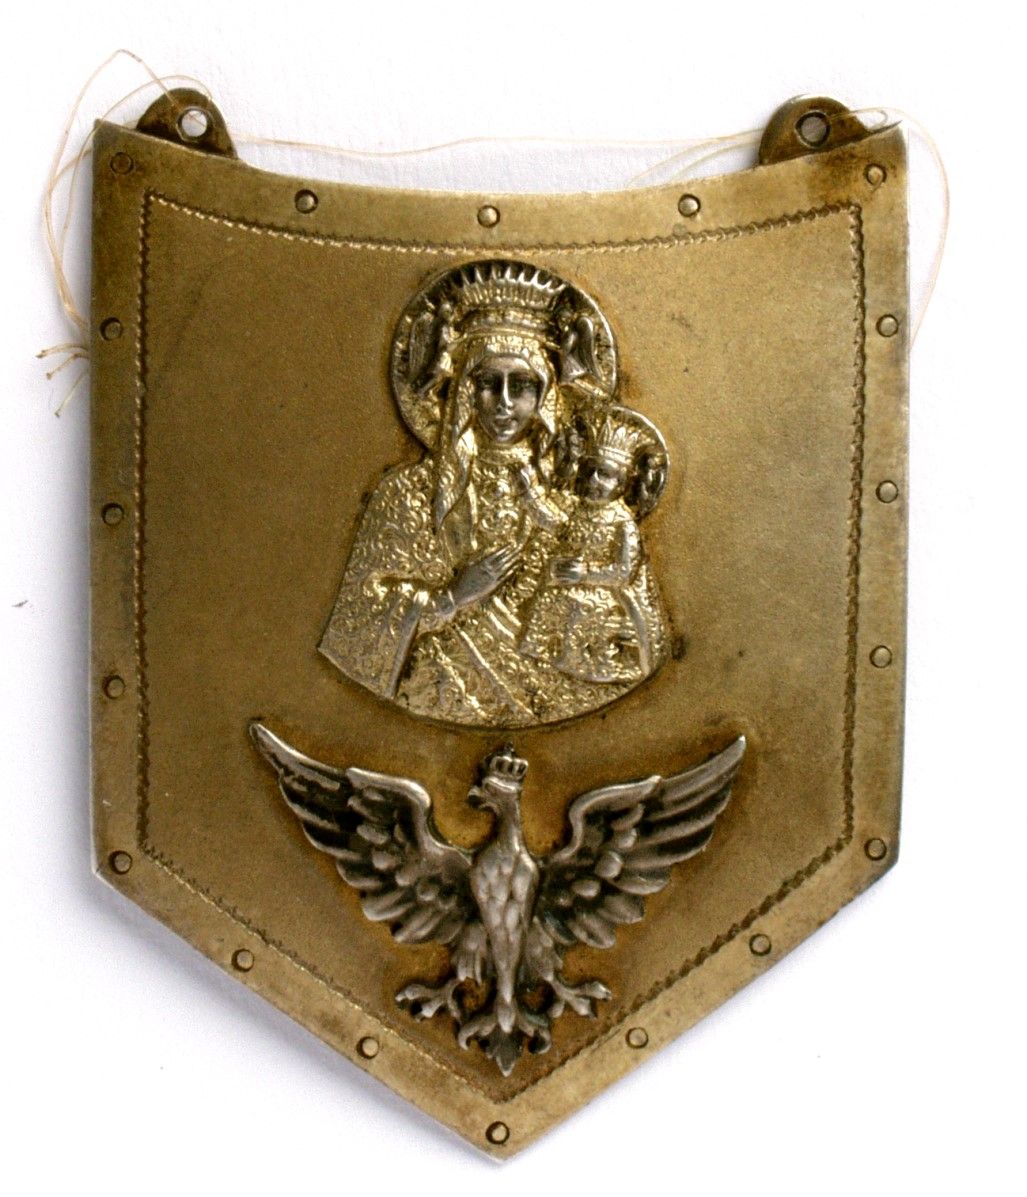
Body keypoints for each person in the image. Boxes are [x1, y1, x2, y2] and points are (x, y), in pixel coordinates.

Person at [319, 260, 668, 727]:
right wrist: (451, 597)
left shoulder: (577, 502)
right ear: (464, 389)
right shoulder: (408, 493)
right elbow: (356, 625)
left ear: (545, 395)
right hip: (441, 689)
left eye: (521, 385)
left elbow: (638, 622)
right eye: (488, 382)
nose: (504, 402)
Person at [520, 409, 667, 684]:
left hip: (604, 593)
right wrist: (531, 495)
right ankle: (537, 658)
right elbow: (555, 523)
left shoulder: (623, 523)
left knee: (579, 609)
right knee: (546, 600)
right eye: (589, 471)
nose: (593, 481)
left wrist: (585, 572)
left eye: (605, 474)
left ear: (623, 482)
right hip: (568, 585)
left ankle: (582, 663)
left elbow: (624, 571)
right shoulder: (578, 509)